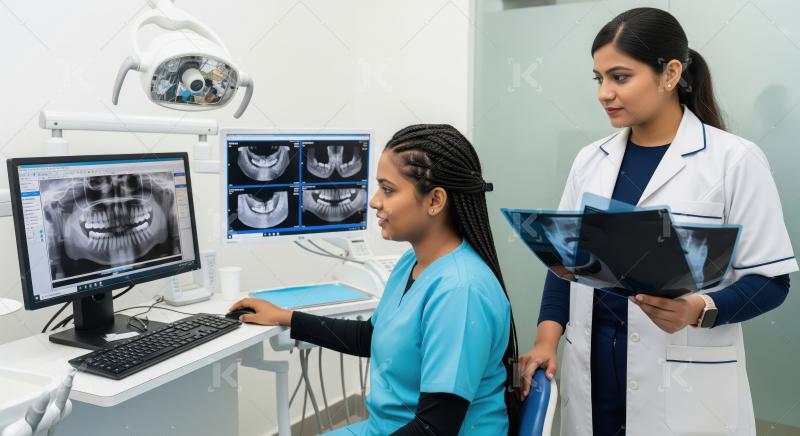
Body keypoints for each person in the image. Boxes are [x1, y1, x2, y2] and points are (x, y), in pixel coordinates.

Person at [519, 7, 797, 436]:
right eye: (599, 78)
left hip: (685, 393)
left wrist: (697, 311)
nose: (604, 93)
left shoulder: (735, 161)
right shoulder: (590, 161)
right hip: (593, 378)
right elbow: (564, 265)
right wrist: (546, 339)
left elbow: (772, 282)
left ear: (670, 74)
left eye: (620, 77)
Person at [229, 125, 521, 435]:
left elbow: (434, 428)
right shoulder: (412, 263)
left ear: (435, 200)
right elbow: (370, 336)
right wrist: (285, 317)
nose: (374, 201)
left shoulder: (461, 291)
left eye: (388, 190)